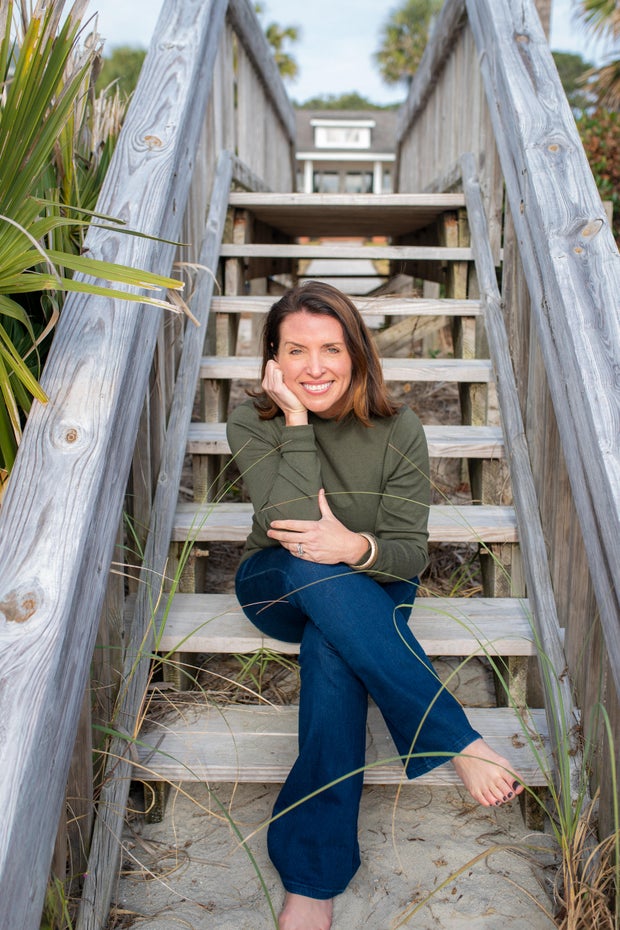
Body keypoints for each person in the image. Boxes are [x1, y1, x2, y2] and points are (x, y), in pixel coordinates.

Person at [227, 281, 524, 930]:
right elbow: (290, 522)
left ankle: (311, 879)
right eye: (295, 350)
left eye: (330, 348)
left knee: (332, 652)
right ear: (273, 359)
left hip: (369, 587)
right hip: (278, 581)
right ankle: (454, 737)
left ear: (357, 352)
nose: (313, 367)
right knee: (310, 557)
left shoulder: (398, 429)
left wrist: (354, 545)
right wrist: (299, 425)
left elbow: (408, 555)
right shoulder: (255, 419)